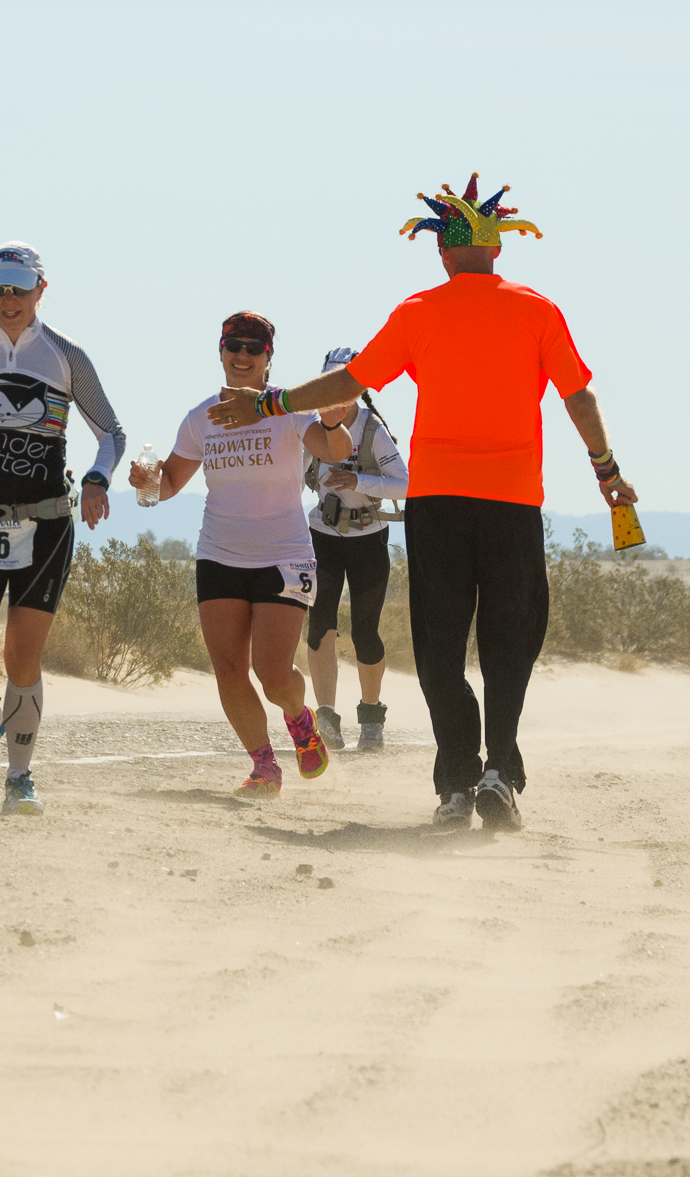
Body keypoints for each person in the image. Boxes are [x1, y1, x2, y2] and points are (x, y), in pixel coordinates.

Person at [205, 174, 639, 830]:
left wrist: (267, 401)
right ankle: (497, 773)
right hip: (511, 504)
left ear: (442, 254)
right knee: (506, 648)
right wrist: (605, 469)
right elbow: (577, 393)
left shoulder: (418, 311)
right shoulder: (537, 310)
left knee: (439, 651)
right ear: (496, 250)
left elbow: (350, 380)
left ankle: (457, 785)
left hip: (437, 507)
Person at [0, 244, 126, 816]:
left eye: (17, 289)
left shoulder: (66, 355)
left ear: (40, 289)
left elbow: (111, 431)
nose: (7, 301)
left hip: (48, 523)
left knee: (23, 657)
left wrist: (98, 478)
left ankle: (20, 777)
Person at [127, 312, 351, 798]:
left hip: (284, 554)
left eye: (254, 347)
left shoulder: (290, 411)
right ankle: (263, 766)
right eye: (234, 345)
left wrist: (332, 421)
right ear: (221, 350)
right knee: (228, 668)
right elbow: (167, 485)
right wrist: (146, 481)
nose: (243, 355)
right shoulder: (199, 418)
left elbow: (335, 449)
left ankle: (300, 719)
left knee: (272, 672)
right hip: (219, 553)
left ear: (269, 358)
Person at [302, 346, 409, 753]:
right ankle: (326, 716)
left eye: (344, 383)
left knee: (366, 630)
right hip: (321, 535)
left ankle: (371, 718)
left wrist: (360, 483)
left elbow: (407, 484)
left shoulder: (372, 430)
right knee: (320, 625)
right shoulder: (307, 428)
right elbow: (291, 476)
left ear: (358, 387)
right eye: (329, 382)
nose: (335, 392)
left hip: (370, 538)